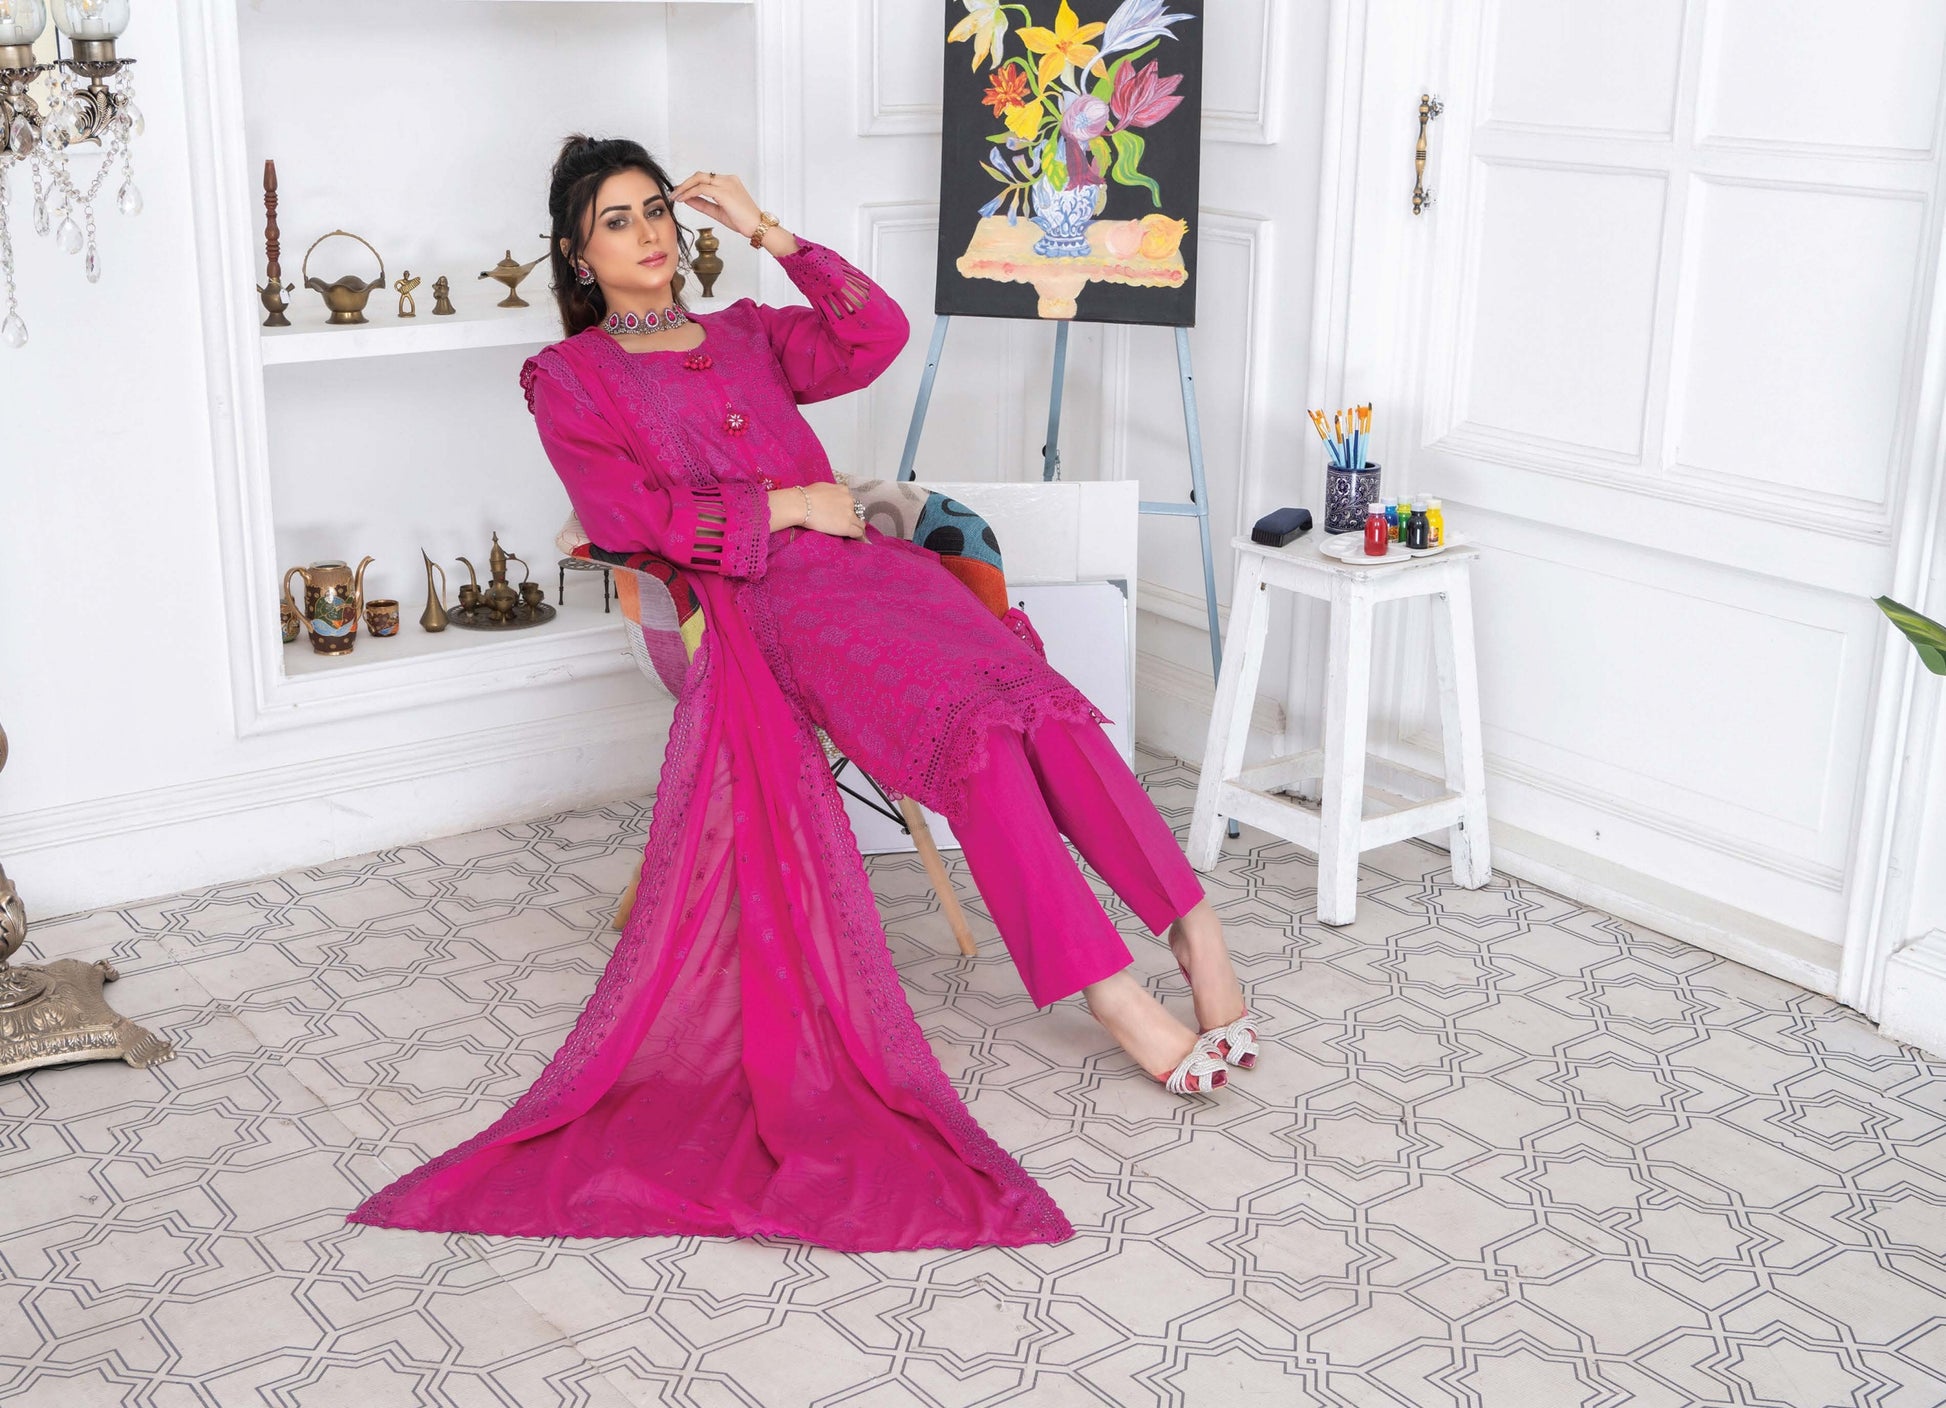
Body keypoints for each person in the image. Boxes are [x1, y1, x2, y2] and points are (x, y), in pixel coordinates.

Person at [346, 135, 1258, 1253]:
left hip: (877, 574)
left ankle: (1195, 931)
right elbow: (630, 520)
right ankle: (1112, 994)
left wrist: (768, 231)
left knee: (1037, 705)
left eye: (656, 210)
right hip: (769, 605)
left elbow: (875, 335)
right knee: (973, 740)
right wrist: (785, 508)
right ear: (579, 258)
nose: (649, 234)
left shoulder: (747, 332)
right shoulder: (571, 379)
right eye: (618, 222)